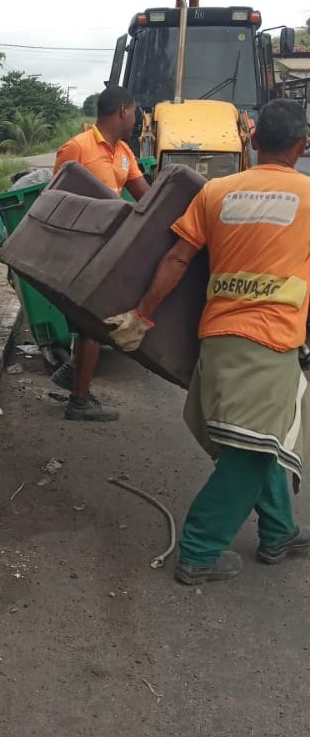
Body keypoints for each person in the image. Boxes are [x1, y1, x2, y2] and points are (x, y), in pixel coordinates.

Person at [105, 98, 310, 585]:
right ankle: (199, 549)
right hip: (271, 342)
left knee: (258, 442)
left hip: (218, 338)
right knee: (254, 451)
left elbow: (176, 261)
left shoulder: (217, 192)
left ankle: (279, 529)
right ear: (301, 147)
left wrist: (142, 316)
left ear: (253, 141)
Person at [50, 86, 150, 421]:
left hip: (108, 248)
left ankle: (73, 376)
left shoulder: (124, 153)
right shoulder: (77, 148)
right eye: (135, 112)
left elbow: (144, 195)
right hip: (80, 248)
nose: (137, 120)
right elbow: (55, 200)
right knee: (95, 320)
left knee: (92, 321)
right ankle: (78, 400)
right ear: (122, 110)